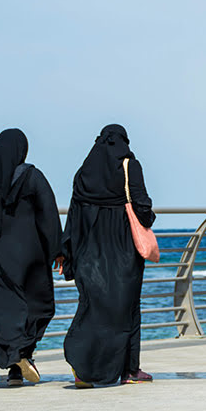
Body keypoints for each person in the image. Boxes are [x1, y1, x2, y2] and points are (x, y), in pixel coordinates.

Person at [60, 124, 155, 388]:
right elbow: (142, 204)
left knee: (92, 308)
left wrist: (66, 252)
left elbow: (74, 216)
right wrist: (148, 221)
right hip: (123, 251)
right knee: (126, 310)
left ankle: (81, 365)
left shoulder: (84, 173)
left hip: (88, 253)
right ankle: (129, 370)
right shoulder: (129, 166)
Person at [0, 128, 63, 386]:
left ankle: (14, 367)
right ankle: (22, 357)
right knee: (36, 306)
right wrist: (58, 250)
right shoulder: (31, 176)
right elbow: (49, 215)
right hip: (30, 255)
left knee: (0, 308)